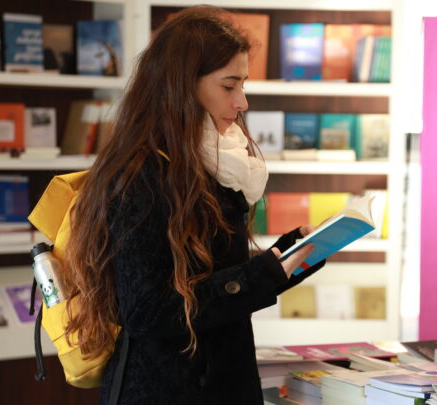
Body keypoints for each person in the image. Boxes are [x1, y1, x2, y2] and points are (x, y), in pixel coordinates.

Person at [62, 6, 325, 404]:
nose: (242, 102)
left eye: (244, 84)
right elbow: (147, 311)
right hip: (166, 389)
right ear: (182, 85)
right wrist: (260, 276)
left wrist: (283, 260)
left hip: (220, 381)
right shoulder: (141, 175)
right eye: (228, 85)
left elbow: (211, 276)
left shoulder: (218, 162)